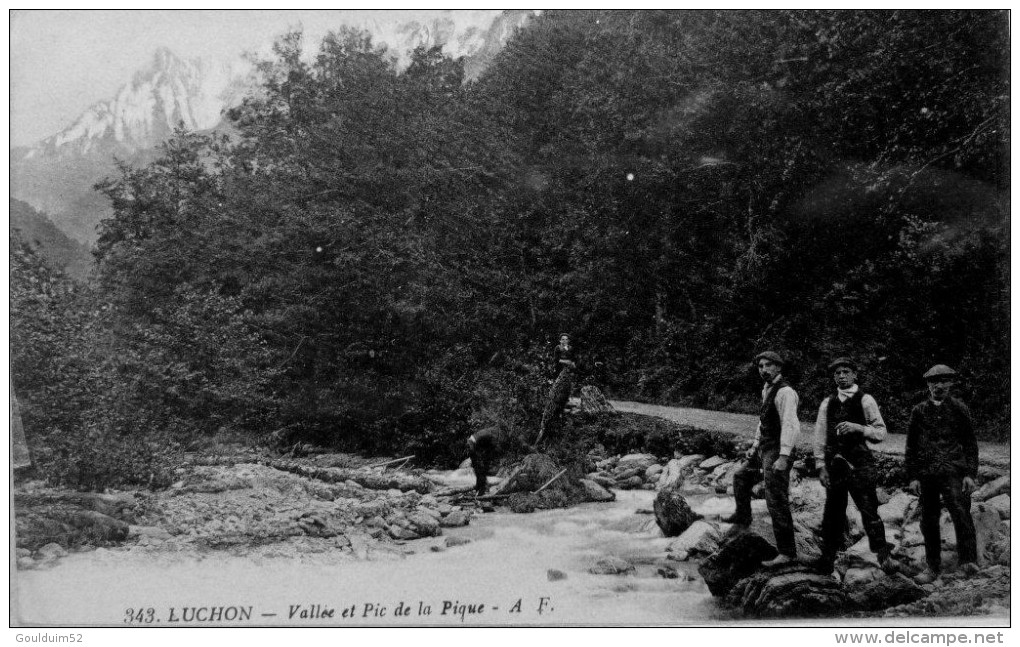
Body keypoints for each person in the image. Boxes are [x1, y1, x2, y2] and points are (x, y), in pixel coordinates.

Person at [813, 358, 893, 574]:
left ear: (855, 375)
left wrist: (859, 428)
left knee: (869, 510)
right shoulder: (827, 403)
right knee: (833, 513)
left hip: (860, 464)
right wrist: (821, 465)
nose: (841, 376)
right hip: (836, 465)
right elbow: (820, 437)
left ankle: (884, 556)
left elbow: (881, 433)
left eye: (846, 371)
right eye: (837, 373)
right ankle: (827, 560)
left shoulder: (866, 400)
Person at [724, 350, 801, 566]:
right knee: (741, 477)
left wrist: (784, 457)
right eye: (760, 366)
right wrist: (755, 445)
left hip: (778, 450)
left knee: (775, 498)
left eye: (768, 365)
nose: (764, 370)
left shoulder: (785, 392)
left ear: (779, 367)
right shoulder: (766, 389)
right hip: (765, 448)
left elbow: (790, 426)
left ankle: (787, 552)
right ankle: (743, 518)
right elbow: (763, 421)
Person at [905, 364, 979, 584]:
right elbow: (911, 447)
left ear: (950, 383)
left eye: (944, 381)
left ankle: (968, 562)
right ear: (928, 384)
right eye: (934, 382)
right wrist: (913, 476)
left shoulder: (959, 409)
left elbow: (970, 444)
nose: (939, 386)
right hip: (927, 473)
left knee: (961, 513)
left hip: (954, 471)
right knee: (929, 520)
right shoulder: (918, 411)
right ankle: (932, 567)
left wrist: (970, 475)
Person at [536, 333, 577, 444]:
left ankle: (564, 405)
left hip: (568, 371)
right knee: (556, 391)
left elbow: (573, 359)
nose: (564, 341)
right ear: (560, 340)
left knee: (566, 389)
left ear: (568, 341)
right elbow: (556, 360)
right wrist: (566, 362)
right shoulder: (558, 348)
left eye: (566, 339)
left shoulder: (571, 348)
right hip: (560, 371)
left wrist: (572, 364)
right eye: (563, 339)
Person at [466, 428, 496, 496]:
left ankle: (481, 490)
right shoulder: (474, 439)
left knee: (481, 470)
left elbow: (474, 451)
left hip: (488, 445)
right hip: (484, 445)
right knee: (479, 470)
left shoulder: (475, 440)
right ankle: (479, 487)